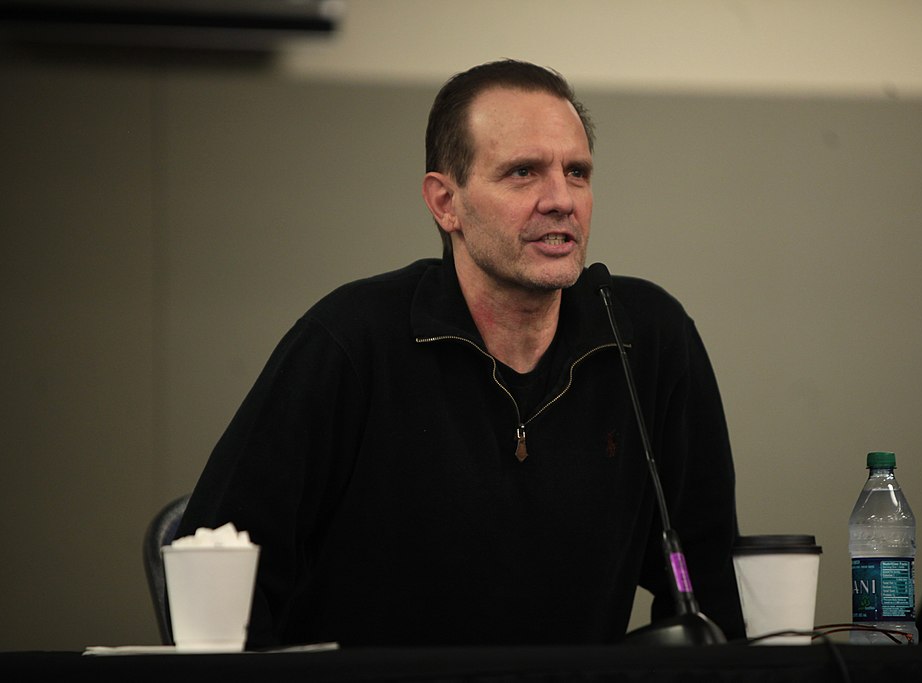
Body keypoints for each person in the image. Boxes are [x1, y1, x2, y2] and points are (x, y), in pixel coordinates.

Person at [176, 59, 745, 648]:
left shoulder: (644, 340)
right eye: (523, 172)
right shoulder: (350, 341)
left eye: (577, 172)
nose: (561, 200)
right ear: (445, 202)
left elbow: (708, 588)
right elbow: (208, 570)